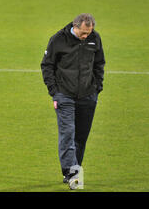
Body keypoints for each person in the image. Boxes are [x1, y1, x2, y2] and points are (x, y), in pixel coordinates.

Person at [40, 13, 105, 190]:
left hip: (88, 95)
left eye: (88, 33)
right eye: (83, 33)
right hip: (64, 95)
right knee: (68, 134)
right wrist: (54, 92)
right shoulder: (58, 40)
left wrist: (97, 87)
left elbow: (99, 64)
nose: (86, 36)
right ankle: (73, 174)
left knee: (80, 138)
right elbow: (47, 65)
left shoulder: (95, 38)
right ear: (75, 27)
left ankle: (69, 170)